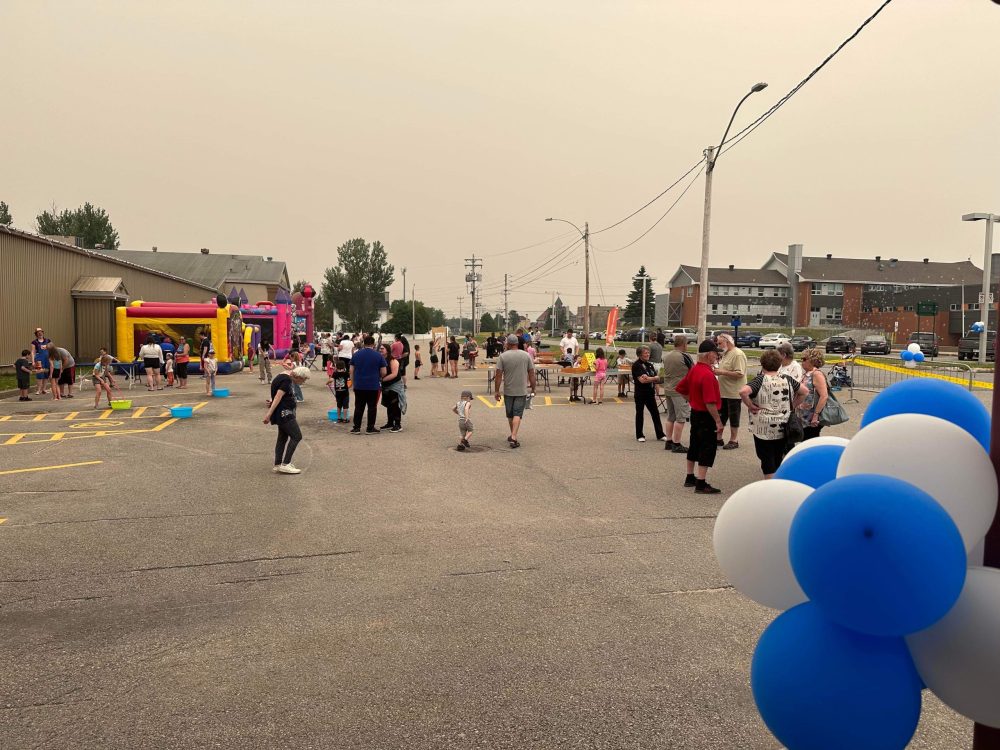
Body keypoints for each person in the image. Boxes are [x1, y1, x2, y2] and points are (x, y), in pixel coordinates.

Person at [740, 349, 808, 479]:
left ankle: (770, 485)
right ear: (779, 364)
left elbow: (743, 391)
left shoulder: (760, 380)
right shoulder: (787, 379)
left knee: (767, 459)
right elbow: (804, 391)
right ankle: (779, 482)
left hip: (763, 427)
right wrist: (792, 405)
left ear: (762, 364)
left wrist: (750, 405)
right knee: (779, 456)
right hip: (783, 425)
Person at [675, 340, 725, 494]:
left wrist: (691, 399)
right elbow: (710, 402)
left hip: (695, 413)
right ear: (709, 354)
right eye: (715, 354)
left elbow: (680, 388)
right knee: (707, 447)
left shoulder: (695, 369)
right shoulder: (708, 374)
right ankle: (701, 483)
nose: (716, 356)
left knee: (694, 444)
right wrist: (718, 421)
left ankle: (690, 477)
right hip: (706, 415)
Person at [264, 365, 310, 474]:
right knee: (297, 436)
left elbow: (277, 394)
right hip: (285, 413)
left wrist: (271, 402)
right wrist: (268, 414)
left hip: (284, 412)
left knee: (282, 438)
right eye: (303, 380)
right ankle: (286, 464)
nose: (303, 383)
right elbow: (278, 397)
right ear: (298, 376)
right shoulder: (286, 380)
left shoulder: (284, 376)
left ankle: (278, 464)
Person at [494, 334, 536, 449]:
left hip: (508, 390)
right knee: (518, 413)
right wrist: (533, 387)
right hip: (521, 390)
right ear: (517, 343)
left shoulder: (503, 357)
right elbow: (531, 373)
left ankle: (513, 435)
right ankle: (513, 436)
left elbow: (498, 375)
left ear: (507, 344)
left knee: (510, 414)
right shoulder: (526, 355)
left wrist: (496, 391)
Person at [661, 335, 694, 453]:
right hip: (680, 391)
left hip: (668, 389)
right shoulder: (685, 356)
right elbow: (693, 371)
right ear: (684, 344)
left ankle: (669, 441)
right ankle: (677, 443)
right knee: (681, 418)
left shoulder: (666, 356)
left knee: (671, 416)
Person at [715, 333, 747, 450]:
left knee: (734, 417)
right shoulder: (726, 353)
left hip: (734, 393)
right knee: (721, 416)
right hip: (723, 392)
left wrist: (721, 372)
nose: (718, 345)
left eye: (720, 343)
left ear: (727, 342)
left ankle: (734, 440)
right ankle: (718, 438)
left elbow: (740, 373)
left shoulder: (738, 354)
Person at [350, 335, 388, 434]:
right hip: (373, 385)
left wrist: (353, 383)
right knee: (372, 407)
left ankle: (356, 428)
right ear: (373, 344)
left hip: (359, 385)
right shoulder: (378, 355)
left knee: (359, 407)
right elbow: (384, 372)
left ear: (363, 343)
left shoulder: (356, 354)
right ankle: (370, 428)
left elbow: (351, 370)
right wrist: (378, 377)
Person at [631, 345, 665, 443]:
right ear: (640, 354)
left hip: (650, 393)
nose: (648, 354)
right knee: (640, 413)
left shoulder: (650, 365)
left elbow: (657, 377)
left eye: (648, 353)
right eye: (645, 353)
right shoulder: (636, 365)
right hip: (640, 393)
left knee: (655, 413)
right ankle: (640, 435)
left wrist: (651, 378)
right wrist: (654, 378)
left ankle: (660, 434)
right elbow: (642, 380)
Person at [798, 348, 830, 441]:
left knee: (810, 441)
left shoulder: (816, 374)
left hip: (811, 417)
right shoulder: (807, 374)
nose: (801, 362)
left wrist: (816, 415)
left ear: (813, 360)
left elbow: (824, 396)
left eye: (804, 359)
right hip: (804, 416)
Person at [379, 343, 404, 433]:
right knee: (389, 405)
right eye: (380, 349)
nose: (381, 350)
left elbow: (394, 374)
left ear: (387, 350)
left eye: (382, 349)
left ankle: (398, 424)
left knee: (395, 405)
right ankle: (390, 423)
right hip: (386, 386)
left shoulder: (393, 360)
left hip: (394, 386)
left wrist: (382, 380)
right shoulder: (381, 359)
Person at [31, 328, 51, 395]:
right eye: (38, 332)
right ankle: (38, 390)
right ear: (36, 334)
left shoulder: (48, 340)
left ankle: (44, 389)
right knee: (39, 374)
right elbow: (33, 352)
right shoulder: (34, 342)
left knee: (46, 374)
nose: (40, 333)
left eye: (41, 332)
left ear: (43, 332)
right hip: (39, 359)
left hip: (47, 359)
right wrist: (33, 361)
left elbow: (51, 349)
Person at [329, 358, 350, 423]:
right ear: (344, 366)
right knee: (345, 406)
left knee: (339, 405)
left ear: (336, 366)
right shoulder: (346, 373)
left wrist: (327, 382)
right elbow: (350, 380)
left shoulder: (335, 373)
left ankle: (338, 418)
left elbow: (331, 380)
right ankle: (344, 418)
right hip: (345, 392)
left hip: (338, 392)